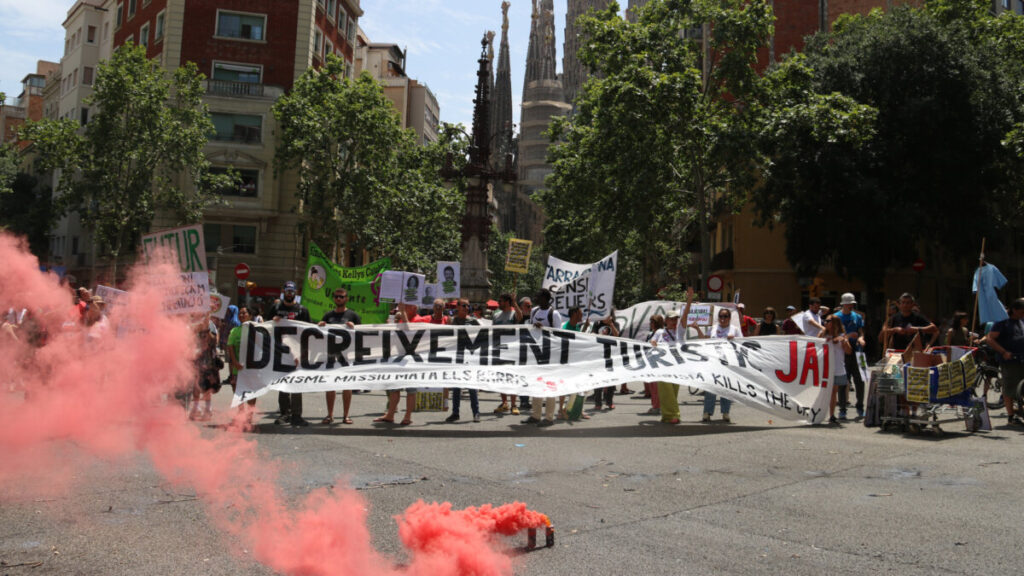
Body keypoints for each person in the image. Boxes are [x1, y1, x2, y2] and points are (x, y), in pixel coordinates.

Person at [268, 281, 311, 427]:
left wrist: (304, 353)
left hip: (297, 352)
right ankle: (284, 414)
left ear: (296, 293)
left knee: (296, 383)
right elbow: (265, 327)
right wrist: (272, 321)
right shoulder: (275, 308)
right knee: (283, 384)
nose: (289, 294)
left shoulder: (302, 310)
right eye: (287, 291)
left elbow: (308, 331)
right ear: (283, 291)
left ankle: (297, 415)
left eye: (292, 291)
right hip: (280, 351)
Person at [319, 288, 361, 425]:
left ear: (346, 298)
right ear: (333, 298)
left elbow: (362, 335)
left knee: (347, 385)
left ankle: (346, 415)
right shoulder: (328, 315)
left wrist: (354, 327)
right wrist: (320, 326)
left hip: (347, 356)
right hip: (331, 354)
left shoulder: (353, 315)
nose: (338, 299)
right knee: (330, 385)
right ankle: (330, 415)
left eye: (341, 297)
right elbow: (319, 335)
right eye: (336, 296)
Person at [522, 289, 562, 427]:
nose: (536, 298)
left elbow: (559, 334)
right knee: (536, 385)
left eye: (538, 296)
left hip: (550, 355)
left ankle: (549, 418)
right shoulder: (534, 311)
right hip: (536, 354)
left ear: (545, 298)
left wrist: (544, 329)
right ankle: (536, 415)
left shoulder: (554, 314)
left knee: (549, 385)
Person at [984, 298, 1024, 426]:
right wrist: (1003, 352)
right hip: (1010, 360)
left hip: (1022, 358)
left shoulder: (1021, 320)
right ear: (1014, 310)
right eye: (1022, 311)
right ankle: (1011, 416)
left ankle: (1019, 410)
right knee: (1010, 388)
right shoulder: (1002, 321)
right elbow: (990, 339)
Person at [703, 308, 742, 422]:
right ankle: (707, 412)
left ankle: (725, 412)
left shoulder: (735, 329)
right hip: (713, 362)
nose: (723, 318)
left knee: (726, 388)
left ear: (729, 318)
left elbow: (742, 344)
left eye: (725, 316)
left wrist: (734, 339)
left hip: (728, 363)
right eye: (721, 316)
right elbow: (704, 341)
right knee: (711, 388)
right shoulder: (712, 328)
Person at [446, 298, 481, 423]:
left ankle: (476, 413)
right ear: (458, 307)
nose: (467, 308)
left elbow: (481, 335)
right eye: (464, 305)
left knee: (472, 386)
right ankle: (455, 413)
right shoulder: (452, 321)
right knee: (456, 387)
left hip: (470, 357)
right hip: (457, 357)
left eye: (468, 306)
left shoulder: (473, 321)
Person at [834, 293, 866, 419]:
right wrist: (848, 336)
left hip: (858, 352)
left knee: (861, 381)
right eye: (849, 304)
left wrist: (861, 338)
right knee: (843, 381)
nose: (851, 306)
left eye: (852, 304)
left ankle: (860, 407)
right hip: (843, 353)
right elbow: (834, 336)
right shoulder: (836, 317)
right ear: (843, 304)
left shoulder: (857, 317)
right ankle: (842, 409)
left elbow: (861, 332)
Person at [492, 293, 523, 415]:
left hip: (511, 351)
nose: (498, 303)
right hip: (499, 350)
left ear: (507, 302)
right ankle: (504, 403)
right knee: (501, 377)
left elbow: (520, 317)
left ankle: (514, 404)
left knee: (512, 377)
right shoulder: (496, 315)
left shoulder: (514, 314)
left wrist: (515, 303)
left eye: (501, 301)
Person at [227, 306, 258, 428]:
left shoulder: (258, 329)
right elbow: (230, 347)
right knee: (238, 391)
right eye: (240, 313)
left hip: (253, 368)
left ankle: (249, 416)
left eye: (244, 313)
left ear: (250, 315)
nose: (241, 315)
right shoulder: (234, 331)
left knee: (252, 392)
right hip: (238, 368)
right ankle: (241, 413)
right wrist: (235, 362)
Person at [188, 315, 221, 422]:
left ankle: (207, 409)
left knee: (207, 387)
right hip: (195, 359)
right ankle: (196, 408)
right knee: (195, 386)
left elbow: (214, 340)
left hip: (207, 362)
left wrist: (206, 329)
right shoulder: (193, 324)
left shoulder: (210, 324)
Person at [822, 314, 853, 425]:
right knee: (823, 392)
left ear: (834, 323)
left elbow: (849, 351)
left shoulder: (842, 336)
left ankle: (831, 415)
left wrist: (844, 342)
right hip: (823, 368)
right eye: (825, 321)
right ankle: (819, 413)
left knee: (833, 392)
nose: (825, 322)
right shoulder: (822, 334)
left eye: (828, 321)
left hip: (837, 368)